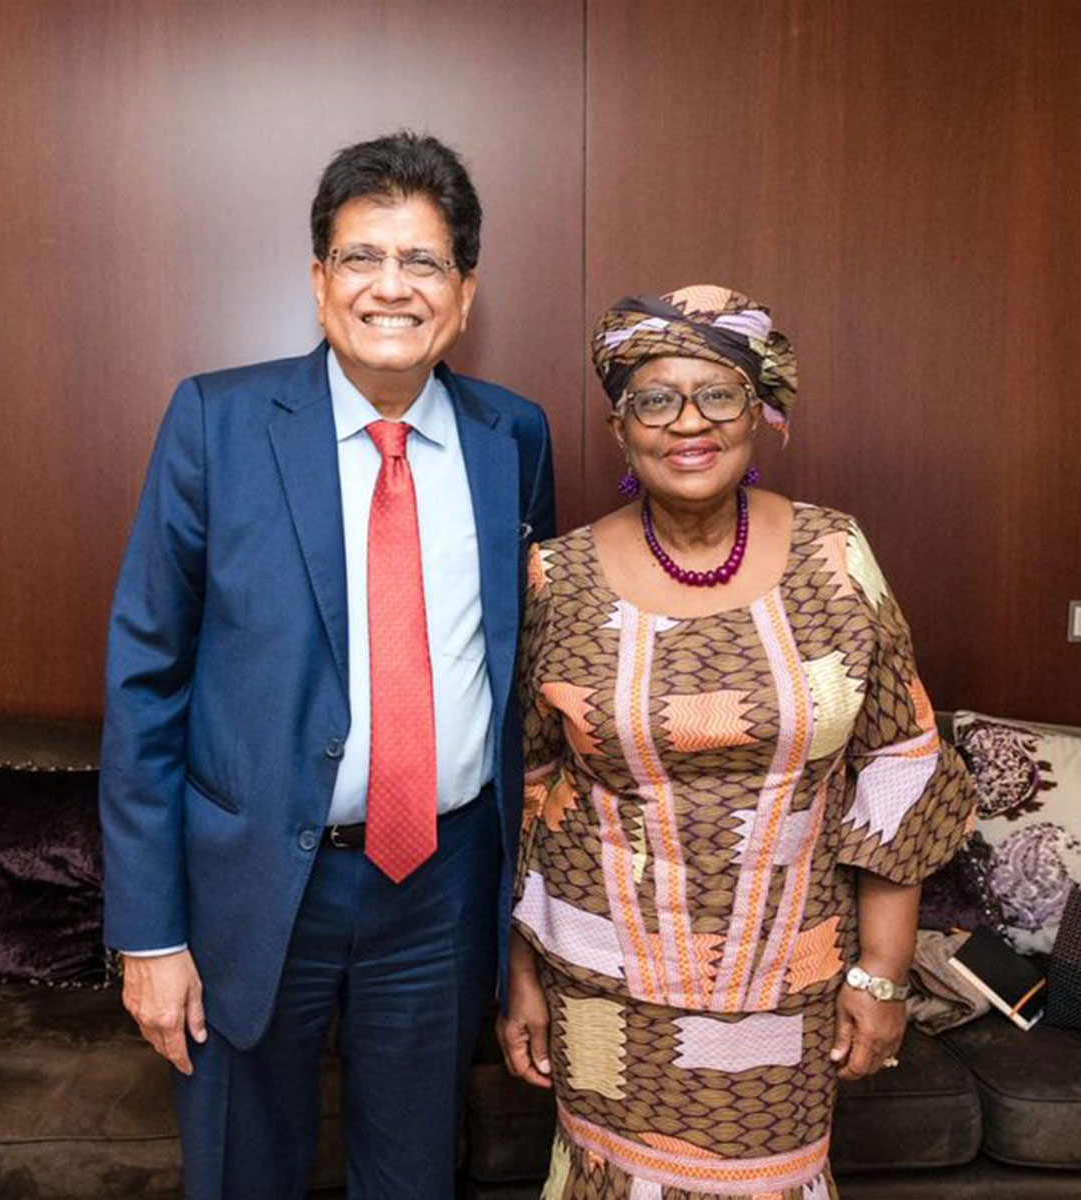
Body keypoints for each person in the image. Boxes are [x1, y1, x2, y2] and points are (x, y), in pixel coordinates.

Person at [100, 131, 556, 1199]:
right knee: (241, 1173)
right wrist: (149, 934)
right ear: (318, 281)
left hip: (441, 887)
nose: (389, 288)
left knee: (414, 1178)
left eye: (423, 262)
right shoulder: (216, 422)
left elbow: (526, 669)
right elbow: (144, 683)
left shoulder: (514, 439)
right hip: (253, 887)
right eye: (360, 258)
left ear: (464, 292)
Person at [497, 285, 973, 1199]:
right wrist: (516, 976)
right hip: (603, 986)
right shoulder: (557, 574)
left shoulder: (834, 556)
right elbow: (530, 790)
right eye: (656, 398)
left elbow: (900, 762)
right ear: (619, 425)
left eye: (719, 394)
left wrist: (881, 975)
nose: (690, 423)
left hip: (790, 984)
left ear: (761, 414)